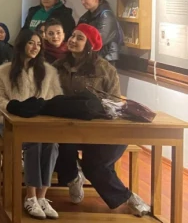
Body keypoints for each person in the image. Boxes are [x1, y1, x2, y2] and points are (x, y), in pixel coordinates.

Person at [52, 24, 150, 216]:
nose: (73, 40)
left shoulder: (105, 69)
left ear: (90, 44)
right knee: (54, 145)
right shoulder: (58, 66)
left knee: (94, 165)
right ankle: (73, 177)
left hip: (104, 127)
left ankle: (128, 198)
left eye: (79, 38)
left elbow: (114, 102)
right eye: (72, 36)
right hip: (70, 126)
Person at [0, 29, 62, 219]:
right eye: (31, 43)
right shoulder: (4, 72)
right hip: (12, 125)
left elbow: (57, 99)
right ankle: (30, 196)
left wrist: (42, 107)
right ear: (21, 45)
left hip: (41, 124)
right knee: (33, 144)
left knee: (51, 144)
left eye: (38, 44)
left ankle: (42, 197)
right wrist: (11, 106)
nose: (35, 47)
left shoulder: (48, 72)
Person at [77, 0, 123, 64]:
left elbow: (100, 39)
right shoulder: (86, 16)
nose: (83, 2)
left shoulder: (106, 15)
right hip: (93, 56)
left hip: (106, 58)